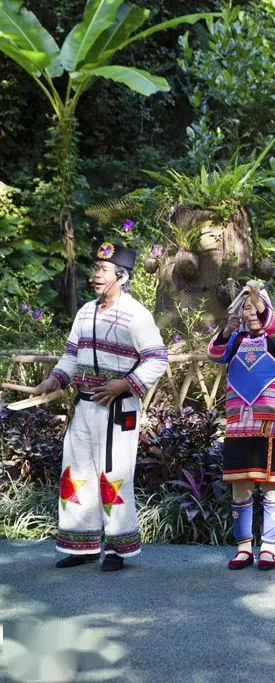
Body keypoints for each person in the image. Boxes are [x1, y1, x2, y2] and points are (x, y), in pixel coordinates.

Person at [35, 241, 168, 571]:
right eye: (95, 268)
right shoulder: (85, 312)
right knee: (76, 472)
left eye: (103, 269)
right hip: (83, 407)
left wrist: (124, 384)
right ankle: (81, 547)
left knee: (114, 475)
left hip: (118, 410)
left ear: (122, 276)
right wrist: (55, 380)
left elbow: (157, 359)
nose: (95, 275)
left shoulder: (137, 314)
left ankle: (117, 550)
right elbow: (71, 355)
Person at [207, 281, 275, 570]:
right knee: (240, 487)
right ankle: (244, 548)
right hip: (240, 423)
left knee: (273, 487)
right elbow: (214, 354)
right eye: (247, 307)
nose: (253, 312)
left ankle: (268, 548)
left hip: (272, 424)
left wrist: (258, 300)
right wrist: (228, 330)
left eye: (258, 306)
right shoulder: (235, 340)